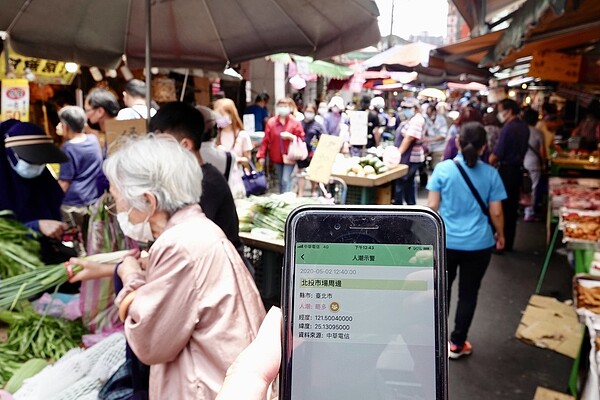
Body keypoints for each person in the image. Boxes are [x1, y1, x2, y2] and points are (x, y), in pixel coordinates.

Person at [75, 134, 265, 399]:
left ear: (149, 202)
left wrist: (129, 274)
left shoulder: (180, 245)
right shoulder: (197, 230)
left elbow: (149, 342)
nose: (117, 210)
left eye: (117, 200)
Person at [427, 122, 506, 359]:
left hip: (446, 243)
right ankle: (457, 343)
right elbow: (497, 212)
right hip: (479, 245)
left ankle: (438, 341)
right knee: (468, 293)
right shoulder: (492, 174)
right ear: (484, 147)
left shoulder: (443, 169)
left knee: (443, 291)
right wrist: (501, 234)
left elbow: (432, 206)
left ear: (458, 143)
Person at [149, 101, 250, 273]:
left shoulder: (205, 183)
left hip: (221, 273)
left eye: (161, 143)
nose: (155, 150)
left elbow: (187, 241)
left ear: (185, 145)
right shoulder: (194, 179)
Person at [0, 120, 70, 263]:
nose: (36, 166)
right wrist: (34, 227)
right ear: (10, 154)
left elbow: (53, 204)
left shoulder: (43, 179)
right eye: (31, 161)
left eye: (40, 162)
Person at [57, 106, 104, 255]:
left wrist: (53, 199)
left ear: (66, 126)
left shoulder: (68, 149)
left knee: (76, 241)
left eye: (60, 123)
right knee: (89, 237)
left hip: (72, 203)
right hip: (92, 200)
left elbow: (65, 181)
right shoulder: (93, 140)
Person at [489, 99, 530, 252]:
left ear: (509, 111)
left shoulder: (508, 128)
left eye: (500, 110)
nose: (499, 114)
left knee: (501, 208)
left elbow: (497, 154)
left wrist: (488, 165)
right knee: (512, 210)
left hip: (505, 172)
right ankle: (509, 243)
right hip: (518, 171)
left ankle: (500, 242)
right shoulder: (524, 127)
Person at [257, 97, 305, 193]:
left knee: (285, 179)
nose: (283, 108)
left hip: (290, 156)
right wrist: (261, 155)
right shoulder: (271, 122)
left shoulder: (295, 122)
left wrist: (291, 137)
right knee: (280, 180)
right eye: (281, 106)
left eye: (285, 106)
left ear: (289, 107)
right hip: (276, 156)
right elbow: (265, 140)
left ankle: (286, 198)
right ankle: (283, 197)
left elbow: (301, 138)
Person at [393, 97, 425, 205]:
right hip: (407, 157)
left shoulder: (417, 120)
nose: (405, 110)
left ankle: (401, 211)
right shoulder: (411, 119)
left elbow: (410, 138)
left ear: (415, 108)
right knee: (408, 185)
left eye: (408, 107)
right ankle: (410, 208)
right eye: (404, 107)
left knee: (402, 183)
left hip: (411, 158)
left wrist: (398, 154)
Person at [522, 108, 546, 222]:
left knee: (522, 187)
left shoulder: (519, 130)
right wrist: (544, 163)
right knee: (533, 188)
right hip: (534, 164)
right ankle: (529, 212)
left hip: (521, 162)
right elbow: (542, 152)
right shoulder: (538, 133)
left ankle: (522, 208)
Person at [296, 103, 325, 197]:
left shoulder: (318, 125)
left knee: (313, 172)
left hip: (313, 151)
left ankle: (313, 190)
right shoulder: (299, 123)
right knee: (301, 172)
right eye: (307, 111)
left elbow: (323, 137)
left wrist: (318, 148)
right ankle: (300, 193)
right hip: (301, 152)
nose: (309, 113)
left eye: (311, 112)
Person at [214, 98, 253, 164]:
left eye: (222, 115)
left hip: (237, 173)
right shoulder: (215, 135)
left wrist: (234, 159)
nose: (219, 118)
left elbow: (248, 159)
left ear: (231, 115)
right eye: (217, 115)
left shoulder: (242, 135)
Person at [423, 102, 449, 169]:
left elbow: (443, 136)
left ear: (434, 112)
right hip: (429, 147)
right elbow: (425, 131)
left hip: (439, 148)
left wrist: (429, 139)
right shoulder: (426, 119)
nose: (429, 115)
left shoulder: (441, 120)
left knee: (436, 167)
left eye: (430, 113)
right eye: (427, 114)